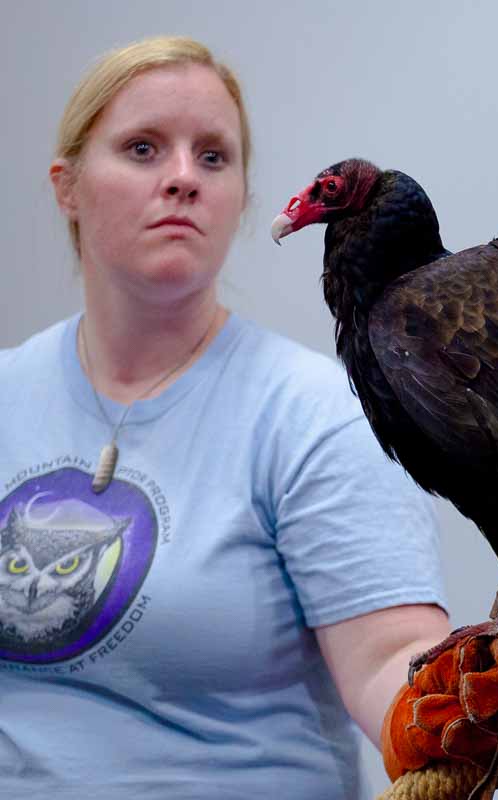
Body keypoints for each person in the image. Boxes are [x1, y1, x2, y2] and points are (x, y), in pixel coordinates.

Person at [0, 36, 452, 798]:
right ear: (67, 186)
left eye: (213, 157)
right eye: (143, 148)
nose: (183, 178)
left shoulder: (318, 415)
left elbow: (389, 660)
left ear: (240, 197)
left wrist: (449, 707)